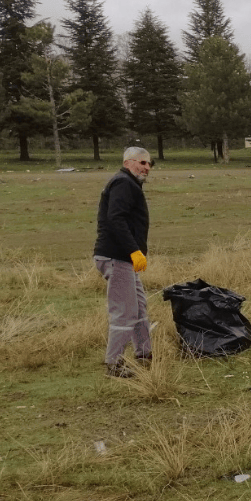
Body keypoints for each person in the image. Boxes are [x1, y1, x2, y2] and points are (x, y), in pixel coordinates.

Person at [93, 146, 154, 378]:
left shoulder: (129, 183)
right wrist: (133, 250)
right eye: (142, 162)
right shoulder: (123, 183)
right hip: (116, 257)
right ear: (128, 162)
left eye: (149, 164)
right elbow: (116, 218)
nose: (147, 168)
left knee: (138, 307)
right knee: (124, 312)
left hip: (124, 258)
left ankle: (144, 354)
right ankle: (114, 365)